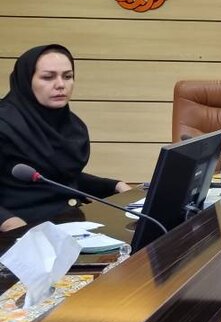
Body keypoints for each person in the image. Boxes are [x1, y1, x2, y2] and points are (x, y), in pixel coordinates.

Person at [0, 45, 130, 232]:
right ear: (26, 80)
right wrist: (10, 224)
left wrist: (114, 186)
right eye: (48, 77)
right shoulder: (4, 124)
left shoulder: (71, 125)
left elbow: (57, 178)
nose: (60, 84)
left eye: (67, 76)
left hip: (71, 225)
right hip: (23, 234)